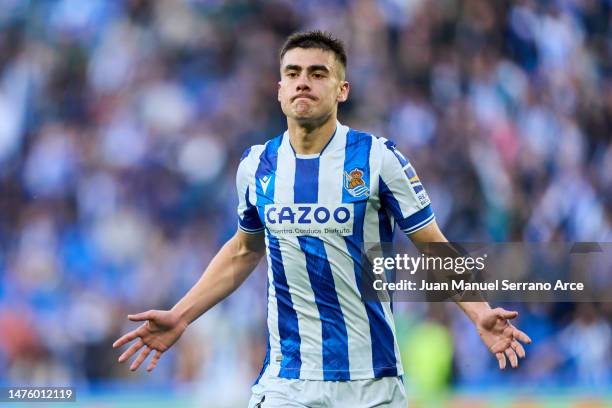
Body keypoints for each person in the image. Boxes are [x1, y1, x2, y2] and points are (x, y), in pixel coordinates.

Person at [112, 31, 531, 407]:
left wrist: (479, 312)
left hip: (372, 383)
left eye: (317, 73)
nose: (303, 81)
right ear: (279, 89)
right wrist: (181, 314)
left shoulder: (378, 159)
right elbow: (243, 251)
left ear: (341, 89)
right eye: (292, 73)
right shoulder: (257, 165)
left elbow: (433, 244)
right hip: (288, 382)